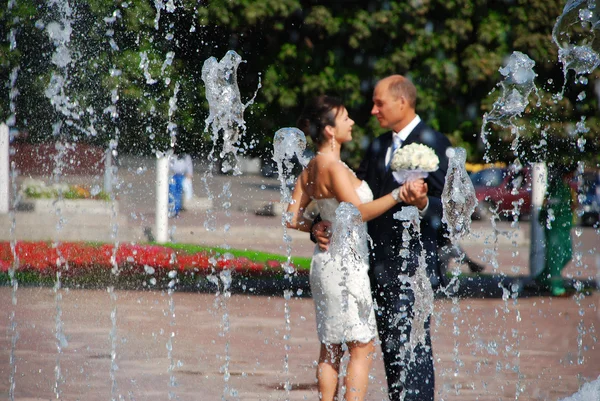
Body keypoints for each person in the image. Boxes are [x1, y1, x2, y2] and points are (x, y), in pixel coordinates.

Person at [312, 75, 451, 401]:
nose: (373, 110)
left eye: (379, 103)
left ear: (402, 102)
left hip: (414, 267)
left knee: (412, 349)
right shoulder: (377, 146)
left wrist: (423, 203)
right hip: (374, 267)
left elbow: (452, 209)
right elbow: (352, 201)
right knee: (391, 352)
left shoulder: (435, 143)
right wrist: (318, 224)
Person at [286, 95, 414, 401]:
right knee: (362, 345)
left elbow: (290, 218)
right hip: (346, 265)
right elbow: (358, 213)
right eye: (345, 118)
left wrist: (313, 225)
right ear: (330, 130)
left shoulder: (312, 167)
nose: (352, 122)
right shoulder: (333, 166)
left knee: (331, 345)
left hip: (325, 263)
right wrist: (398, 195)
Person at [536, 164, 576, 296]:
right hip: (555, 227)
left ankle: (541, 279)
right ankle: (556, 288)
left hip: (564, 227)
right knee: (556, 257)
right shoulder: (557, 186)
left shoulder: (566, 186)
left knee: (567, 254)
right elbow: (552, 206)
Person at [168, 151, 193, 217]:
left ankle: (176, 210)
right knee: (171, 192)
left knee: (178, 194)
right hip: (172, 176)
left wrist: (189, 175)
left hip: (181, 176)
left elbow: (189, 167)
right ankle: (171, 210)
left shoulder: (185, 156)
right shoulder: (171, 155)